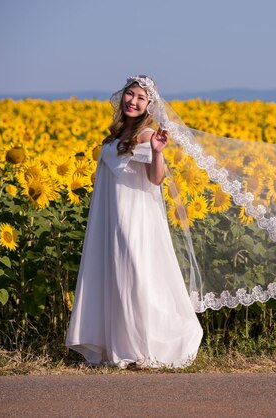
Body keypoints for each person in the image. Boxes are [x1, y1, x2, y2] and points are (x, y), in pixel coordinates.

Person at [65, 75, 203, 368]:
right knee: (113, 274)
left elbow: (156, 178)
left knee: (135, 274)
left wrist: (157, 152)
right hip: (111, 214)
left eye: (141, 98)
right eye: (130, 95)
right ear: (122, 96)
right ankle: (115, 345)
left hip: (134, 216)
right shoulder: (117, 134)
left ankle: (141, 345)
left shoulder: (146, 134)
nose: (133, 101)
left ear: (149, 105)